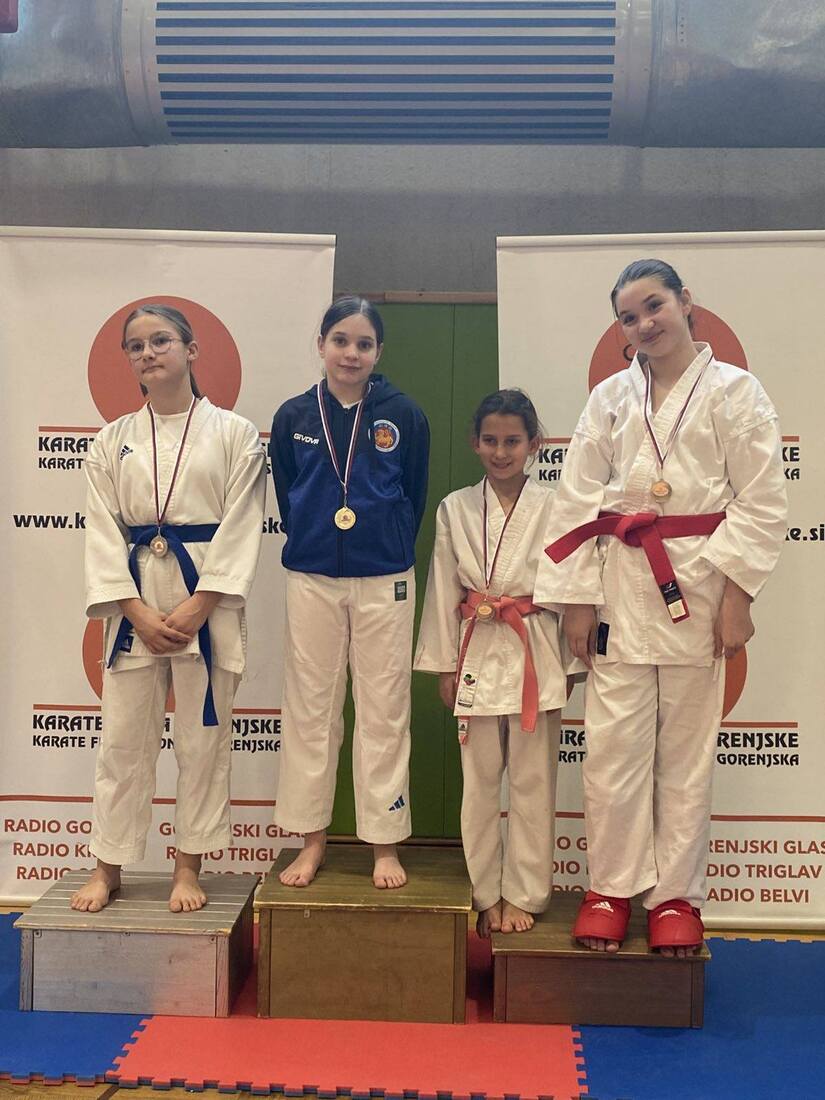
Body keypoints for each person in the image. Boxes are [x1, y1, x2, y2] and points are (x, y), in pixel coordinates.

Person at [535, 259, 786, 956]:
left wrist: (738, 596)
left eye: (654, 306)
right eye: (629, 316)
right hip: (619, 585)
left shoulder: (736, 392)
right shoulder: (611, 397)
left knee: (685, 755)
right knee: (611, 752)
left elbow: (762, 500)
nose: (644, 324)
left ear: (684, 301)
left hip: (699, 587)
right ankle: (610, 888)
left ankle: (675, 896)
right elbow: (577, 496)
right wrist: (576, 601)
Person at [71, 304, 267, 913]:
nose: (148, 352)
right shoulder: (112, 440)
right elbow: (101, 530)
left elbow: (242, 524)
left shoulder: (235, 434)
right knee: (122, 742)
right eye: (136, 346)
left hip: (205, 599)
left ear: (191, 350)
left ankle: (188, 867)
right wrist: (134, 610)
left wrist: (200, 605)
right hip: (136, 597)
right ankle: (108, 867)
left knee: (202, 741)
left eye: (161, 341)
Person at [269, 297, 430, 890]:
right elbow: (289, 493)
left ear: (378, 352)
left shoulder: (404, 415)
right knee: (311, 708)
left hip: (384, 575)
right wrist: (319, 537)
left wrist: (383, 542)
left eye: (364, 344)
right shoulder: (293, 415)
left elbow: (414, 492)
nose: (351, 353)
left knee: (384, 709)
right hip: (312, 575)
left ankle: (384, 843)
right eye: (340, 340)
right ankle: (311, 840)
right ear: (321, 345)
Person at [415, 389, 567, 936]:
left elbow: (569, 586)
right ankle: (484, 891)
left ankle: (524, 892)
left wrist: (569, 661)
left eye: (513, 441)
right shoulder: (455, 507)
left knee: (533, 782)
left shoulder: (555, 505)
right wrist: (443, 665)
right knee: (478, 784)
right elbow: (441, 586)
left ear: (534, 444)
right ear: (474, 443)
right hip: (475, 645)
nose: (501, 452)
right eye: (491, 441)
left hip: (534, 644)